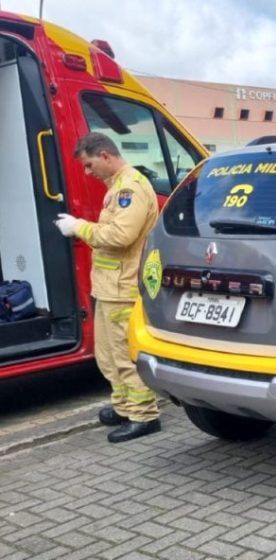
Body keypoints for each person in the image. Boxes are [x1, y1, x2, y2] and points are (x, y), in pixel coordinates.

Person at [55, 133, 162, 442]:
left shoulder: (130, 188)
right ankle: (125, 406)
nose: (88, 173)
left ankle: (144, 416)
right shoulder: (116, 188)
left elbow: (120, 236)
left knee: (122, 355)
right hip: (108, 288)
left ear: (104, 155)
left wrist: (79, 227)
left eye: (89, 165)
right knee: (106, 355)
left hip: (122, 288)